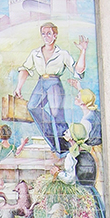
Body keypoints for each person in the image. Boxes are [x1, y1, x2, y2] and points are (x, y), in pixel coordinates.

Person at [14, 22, 88, 156]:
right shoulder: (36, 53)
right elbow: (25, 69)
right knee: (32, 107)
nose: (46, 36)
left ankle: (64, 148)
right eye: (43, 33)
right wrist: (18, 87)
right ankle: (54, 142)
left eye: (49, 33)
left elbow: (78, 71)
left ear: (55, 35)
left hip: (54, 83)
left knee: (56, 114)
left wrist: (83, 51)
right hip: (41, 82)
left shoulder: (62, 54)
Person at [53, 122, 106, 218]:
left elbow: (70, 179)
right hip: (92, 194)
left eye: (68, 132)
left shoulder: (72, 156)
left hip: (79, 196)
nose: (65, 133)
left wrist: (57, 173)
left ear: (73, 137)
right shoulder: (89, 153)